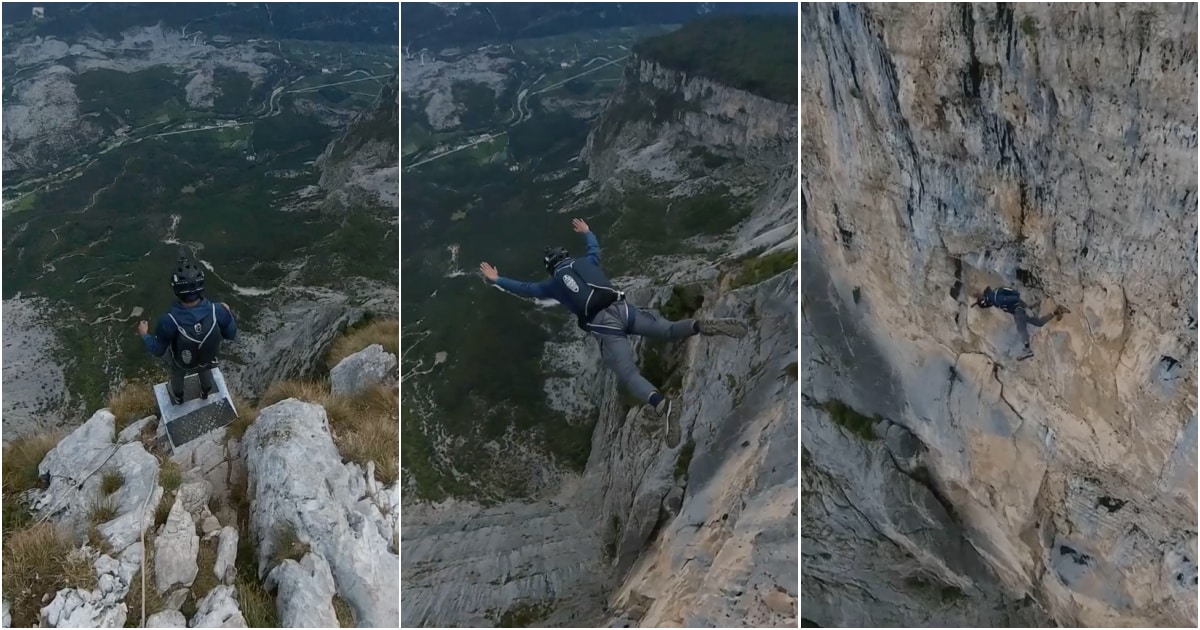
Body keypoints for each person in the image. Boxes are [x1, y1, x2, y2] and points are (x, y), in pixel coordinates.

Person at [478, 218, 748, 447]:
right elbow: (594, 247)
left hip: (604, 325)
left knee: (629, 375)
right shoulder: (588, 261)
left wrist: (497, 279)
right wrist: (586, 232)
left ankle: (664, 406)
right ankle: (701, 326)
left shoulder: (551, 286)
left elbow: (525, 288)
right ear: (566, 257)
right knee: (666, 330)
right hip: (623, 309)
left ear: (550, 268)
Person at [138, 257, 237, 405]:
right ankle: (205, 392)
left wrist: (144, 334)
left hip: (183, 361)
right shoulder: (219, 310)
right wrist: (228, 313)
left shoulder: (169, 320)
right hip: (207, 358)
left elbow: (158, 350)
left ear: (176, 289)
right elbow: (231, 334)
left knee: (177, 372)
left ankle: (178, 397)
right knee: (204, 369)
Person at [972, 286, 1068, 360]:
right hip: (1017, 309)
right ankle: (1057, 311)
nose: (990, 306)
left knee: (1021, 328)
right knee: (1038, 323)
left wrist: (1026, 308)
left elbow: (1014, 299)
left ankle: (1027, 349)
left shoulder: (997, 300)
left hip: (1018, 309)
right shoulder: (993, 295)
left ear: (986, 302)